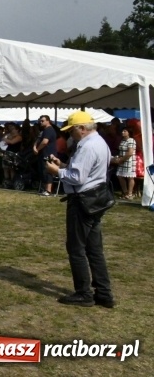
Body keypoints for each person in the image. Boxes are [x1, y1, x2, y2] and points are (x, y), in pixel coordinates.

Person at [45, 111, 114, 308]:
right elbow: (86, 171)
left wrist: (56, 171)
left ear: (81, 129)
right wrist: (65, 165)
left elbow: (78, 177)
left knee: (76, 248)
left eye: (71, 131)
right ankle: (104, 292)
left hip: (82, 200)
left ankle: (84, 293)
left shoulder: (87, 147)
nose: (69, 135)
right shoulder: (100, 143)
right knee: (95, 249)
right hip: (96, 198)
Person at [34, 115, 58, 196]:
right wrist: (35, 147)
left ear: (48, 121)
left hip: (48, 153)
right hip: (43, 153)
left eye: (43, 121)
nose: (41, 122)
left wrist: (37, 149)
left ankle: (48, 190)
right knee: (43, 171)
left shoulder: (49, 130)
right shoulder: (44, 130)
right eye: (40, 121)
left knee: (48, 171)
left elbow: (45, 142)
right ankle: (44, 189)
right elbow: (39, 140)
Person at [112, 126, 137, 200]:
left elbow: (130, 152)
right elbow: (121, 151)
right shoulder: (122, 140)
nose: (123, 132)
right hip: (122, 160)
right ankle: (125, 192)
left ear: (129, 132)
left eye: (125, 131)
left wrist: (121, 159)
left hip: (129, 161)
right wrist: (118, 158)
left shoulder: (131, 140)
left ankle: (130, 194)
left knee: (130, 177)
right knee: (120, 176)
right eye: (122, 131)